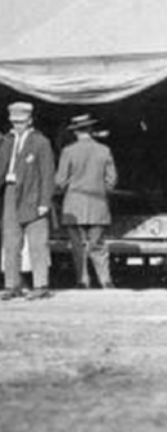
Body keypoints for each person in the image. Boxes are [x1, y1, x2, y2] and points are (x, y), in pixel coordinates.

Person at [55, 114, 118, 290]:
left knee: (78, 246)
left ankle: (83, 281)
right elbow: (112, 180)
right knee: (98, 244)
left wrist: (68, 185)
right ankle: (106, 280)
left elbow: (60, 181)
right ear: (91, 130)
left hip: (74, 205)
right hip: (98, 203)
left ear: (75, 132)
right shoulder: (104, 150)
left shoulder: (68, 151)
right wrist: (99, 188)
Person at [0, 102, 56, 300]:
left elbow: (48, 174)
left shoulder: (41, 142)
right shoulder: (6, 141)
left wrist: (44, 202)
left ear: (30, 121)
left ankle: (41, 284)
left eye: (21, 122)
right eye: (14, 122)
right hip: (9, 193)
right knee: (11, 242)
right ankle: (11, 284)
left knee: (37, 243)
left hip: (33, 195)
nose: (17, 126)